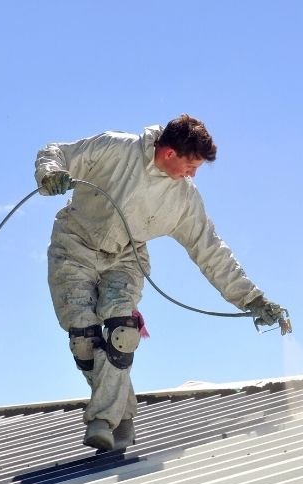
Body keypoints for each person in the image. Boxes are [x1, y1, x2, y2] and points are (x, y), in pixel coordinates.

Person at [35, 114, 284, 453]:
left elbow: (211, 250)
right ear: (169, 153)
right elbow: (57, 151)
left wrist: (252, 299)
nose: (193, 174)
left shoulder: (184, 200)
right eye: (191, 165)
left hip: (126, 257)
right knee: (84, 338)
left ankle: (101, 421)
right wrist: (50, 173)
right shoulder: (115, 148)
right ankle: (123, 416)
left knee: (122, 332)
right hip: (73, 246)